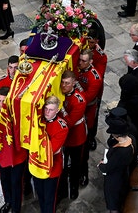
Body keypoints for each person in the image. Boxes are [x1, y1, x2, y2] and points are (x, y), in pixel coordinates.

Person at [0, 86, 27, 213]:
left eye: (4, 101)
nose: (1, 104)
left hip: (17, 155)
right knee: (5, 180)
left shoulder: (19, 115)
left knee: (16, 183)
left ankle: (16, 208)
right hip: (3, 155)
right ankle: (8, 201)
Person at [33, 96, 68, 213]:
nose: (47, 112)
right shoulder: (39, 120)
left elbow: (50, 149)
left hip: (52, 167)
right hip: (37, 164)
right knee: (40, 194)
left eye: (51, 110)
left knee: (49, 199)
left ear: (57, 110)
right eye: (46, 109)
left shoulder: (61, 127)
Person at [58, 70, 87, 200]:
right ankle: (63, 190)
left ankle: (74, 187)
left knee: (75, 164)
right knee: (62, 166)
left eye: (67, 83)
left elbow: (70, 122)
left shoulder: (79, 100)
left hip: (75, 136)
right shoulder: (60, 93)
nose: (64, 86)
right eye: (63, 83)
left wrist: (60, 108)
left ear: (74, 83)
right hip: (63, 137)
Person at [97, 120, 134, 213]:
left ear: (117, 136)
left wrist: (100, 165)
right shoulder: (130, 139)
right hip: (122, 175)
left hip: (114, 181)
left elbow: (107, 168)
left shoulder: (120, 152)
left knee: (113, 204)